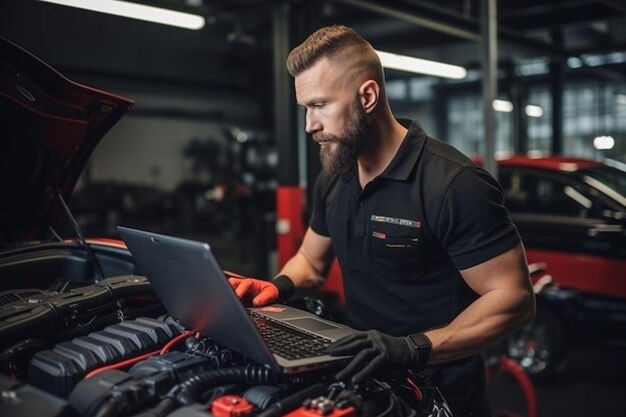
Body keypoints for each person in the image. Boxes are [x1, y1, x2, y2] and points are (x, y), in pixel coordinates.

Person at [228, 25, 535, 417]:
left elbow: (513, 299)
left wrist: (409, 348)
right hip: (367, 375)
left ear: (368, 96)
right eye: (306, 108)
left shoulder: (452, 184)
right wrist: (277, 286)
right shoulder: (334, 178)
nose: (310, 125)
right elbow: (310, 262)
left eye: (320, 105)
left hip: (441, 392)